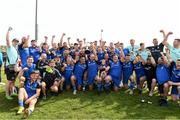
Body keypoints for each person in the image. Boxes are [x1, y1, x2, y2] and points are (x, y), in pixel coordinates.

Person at [5, 27, 19, 100]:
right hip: (9, 66)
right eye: (15, 41)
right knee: (9, 81)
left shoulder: (16, 49)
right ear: (12, 41)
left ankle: (12, 91)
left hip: (15, 67)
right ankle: (7, 94)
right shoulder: (10, 47)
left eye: (17, 42)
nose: (16, 42)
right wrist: (8, 31)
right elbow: (7, 40)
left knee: (13, 80)